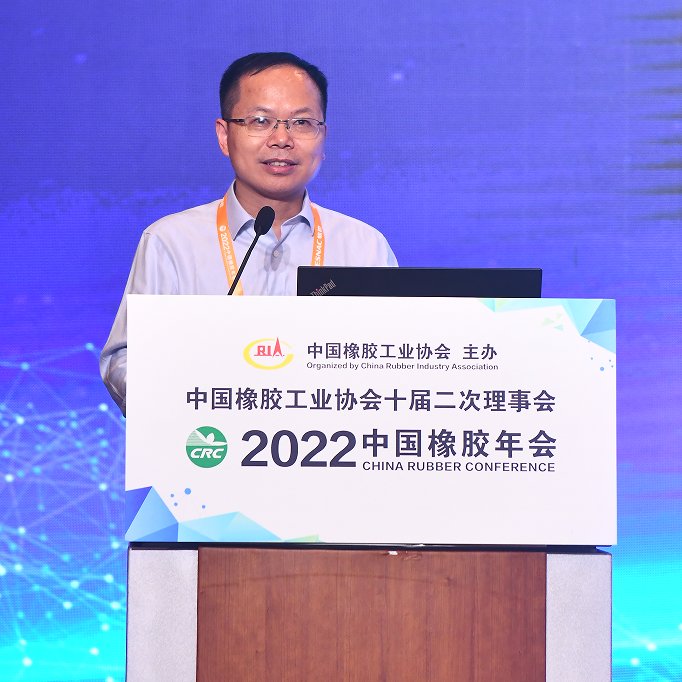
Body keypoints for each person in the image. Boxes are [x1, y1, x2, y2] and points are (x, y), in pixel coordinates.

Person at [100, 52, 397, 415]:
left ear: (323, 137)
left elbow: (396, 361)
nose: (282, 139)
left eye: (302, 122)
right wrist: (189, 401)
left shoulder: (365, 246)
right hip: (209, 441)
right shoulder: (171, 242)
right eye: (260, 121)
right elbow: (125, 360)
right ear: (224, 136)